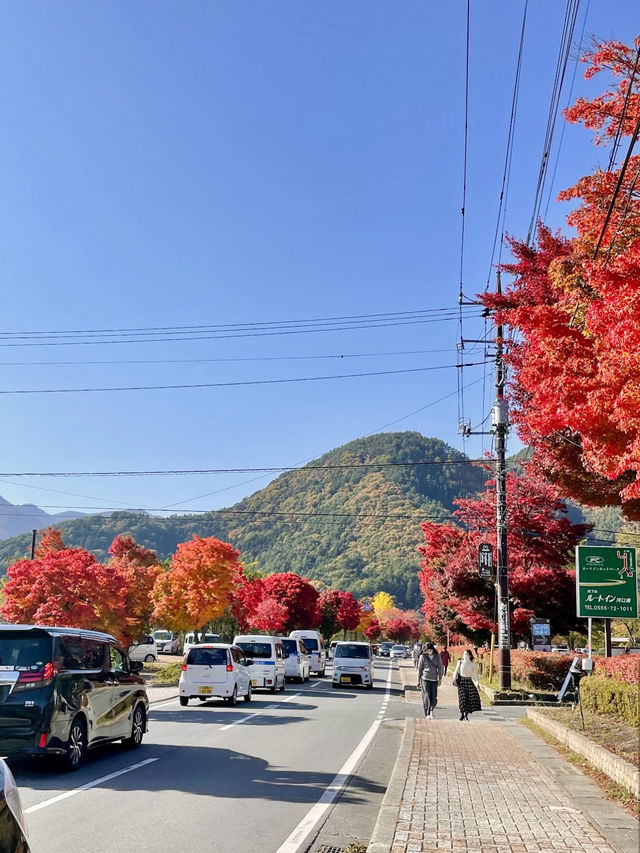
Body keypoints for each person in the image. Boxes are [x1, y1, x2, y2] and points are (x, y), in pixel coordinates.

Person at [452, 649, 482, 721]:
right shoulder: (460, 662)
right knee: (462, 698)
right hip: (461, 682)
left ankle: (466, 715)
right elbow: (455, 672)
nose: (465, 655)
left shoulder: (472, 664)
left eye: (466, 654)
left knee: (468, 699)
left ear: (470, 656)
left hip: (469, 681)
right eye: (464, 654)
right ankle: (462, 714)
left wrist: (477, 683)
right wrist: (454, 680)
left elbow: (475, 676)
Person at [417, 643, 443, 718]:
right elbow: (420, 669)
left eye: (430, 650)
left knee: (434, 698)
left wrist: (440, 678)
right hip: (425, 678)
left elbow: (440, 667)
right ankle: (427, 713)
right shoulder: (423, 656)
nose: (429, 651)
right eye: (427, 650)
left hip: (434, 679)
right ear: (425, 650)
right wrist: (418, 680)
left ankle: (431, 709)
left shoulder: (437, 656)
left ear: (433, 649)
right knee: (427, 696)